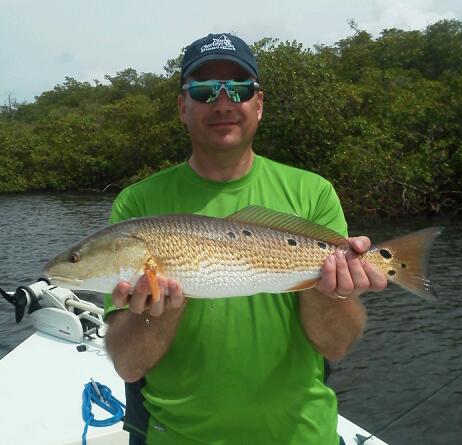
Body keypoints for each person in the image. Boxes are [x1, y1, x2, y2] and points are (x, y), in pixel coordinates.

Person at [104, 32, 387, 445]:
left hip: (303, 435)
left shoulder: (313, 193)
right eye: (203, 90)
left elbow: (336, 345)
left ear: (259, 104)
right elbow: (129, 366)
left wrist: (329, 288)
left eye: (238, 88)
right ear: (183, 107)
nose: (222, 103)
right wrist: (157, 310)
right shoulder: (138, 204)